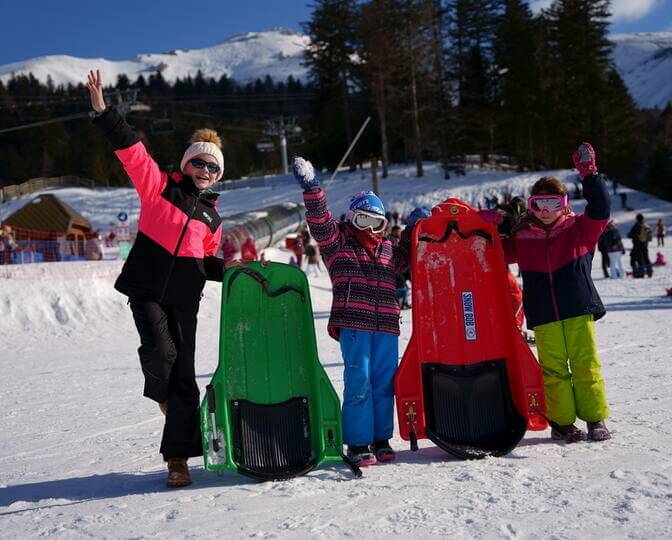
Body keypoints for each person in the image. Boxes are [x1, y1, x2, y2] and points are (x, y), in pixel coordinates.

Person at [87, 69, 231, 488]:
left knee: (183, 373)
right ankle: (173, 404)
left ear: (218, 175)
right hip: (147, 287)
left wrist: (233, 270)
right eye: (199, 162)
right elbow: (133, 151)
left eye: (213, 167)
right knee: (158, 353)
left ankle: (177, 461)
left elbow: (205, 261)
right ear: (187, 163)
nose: (205, 169)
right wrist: (104, 113)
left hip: (186, 300)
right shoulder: (159, 188)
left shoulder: (213, 218)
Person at [292, 156, 430, 466]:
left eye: (376, 222)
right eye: (363, 220)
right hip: (355, 323)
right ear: (352, 219)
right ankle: (358, 442)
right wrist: (312, 188)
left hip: (386, 326)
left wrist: (415, 227)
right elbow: (320, 223)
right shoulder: (337, 244)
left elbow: (408, 253)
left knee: (384, 383)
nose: (370, 228)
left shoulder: (388, 250)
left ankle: (381, 438)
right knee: (359, 381)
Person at [498, 143, 611, 443]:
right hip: (544, 314)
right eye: (539, 204)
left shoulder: (579, 230)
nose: (546, 212)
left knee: (586, 364)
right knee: (554, 370)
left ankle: (594, 418)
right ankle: (562, 422)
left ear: (564, 204)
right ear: (531, 205)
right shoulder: (522, 237)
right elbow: (496, 251)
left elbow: (600, 210)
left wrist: (590, 175)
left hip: (577, 308)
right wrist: (491, 225)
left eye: (553, 204)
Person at [628, 214, 653, 278]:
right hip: (645, 244)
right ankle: (649, 272)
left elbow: (630, 235)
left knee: (638, 259)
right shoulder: (646, 225)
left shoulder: (637, 225)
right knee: (646, 258)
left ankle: (640, 274)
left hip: (637, 244)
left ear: (637, 219)